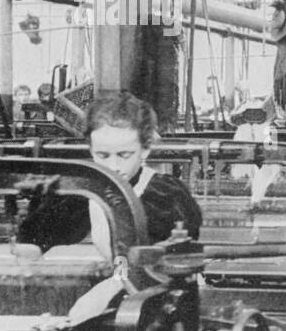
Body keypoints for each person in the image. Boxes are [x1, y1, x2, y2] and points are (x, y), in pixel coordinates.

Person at [17, 91, 202, 254]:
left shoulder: (167, 196)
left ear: (145, 149)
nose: (113, 166)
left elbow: (174, 256)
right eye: (103, 155)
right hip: (113, 280)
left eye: (124, 155)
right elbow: (32, 242)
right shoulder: (80, 194)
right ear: (90, 149)